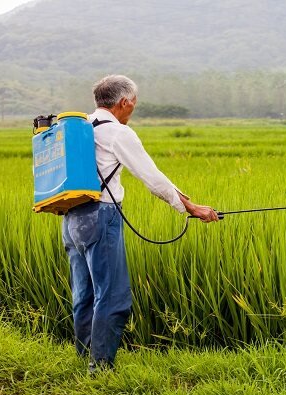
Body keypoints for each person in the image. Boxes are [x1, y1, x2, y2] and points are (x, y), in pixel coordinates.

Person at [61, 74, 218, 373]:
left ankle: (85, 360)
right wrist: (191, 207)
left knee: (85, 294)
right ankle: (101, 369)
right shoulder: (118, 133)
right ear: (125, 102)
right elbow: (154, 179)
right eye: (133, 103)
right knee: (113, 296)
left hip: (71, 218)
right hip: (101, 217)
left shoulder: (79, 127)